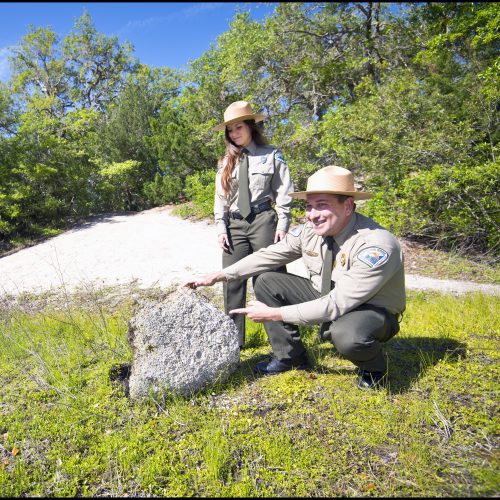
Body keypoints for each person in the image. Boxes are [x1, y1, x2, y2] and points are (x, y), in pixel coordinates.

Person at [185, 165, 406, 390]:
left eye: (322, 206)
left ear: (348, 206)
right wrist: (220, 275)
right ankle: (291, 356)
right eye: (309, 206)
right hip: (326, 293)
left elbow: (336, 304)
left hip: (369, 309)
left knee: (348, 335)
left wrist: (275, 314)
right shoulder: (310, 231)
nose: (312, 215)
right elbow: (269, 255)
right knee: (267, 280)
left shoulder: (376, 245)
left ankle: (374, 369)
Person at [212, 100, 294, 348]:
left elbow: (284, 192)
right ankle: (233, 343)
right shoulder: (226, 162)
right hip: (235, 225)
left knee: (269, 278)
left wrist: (283, 224)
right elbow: (220, 198)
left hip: (263, 221)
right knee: (232, 282)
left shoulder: (271, 155)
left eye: (238, 127)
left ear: (250, 126)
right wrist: (221, 228)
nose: (234, 133)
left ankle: (283, 341)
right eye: (230, 130)